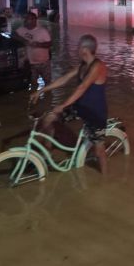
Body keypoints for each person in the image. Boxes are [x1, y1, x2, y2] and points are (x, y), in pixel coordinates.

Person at [29, 34, 109, 175]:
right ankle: (47, 156)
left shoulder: (98, 66)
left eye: (78, 46)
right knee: (48, 119)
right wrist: (41, 90)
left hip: (95, 113)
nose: (76, 49)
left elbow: (82, 87)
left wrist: (62, 105)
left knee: (98, 150)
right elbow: (63, 80)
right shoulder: (82, 66)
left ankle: (105, 177)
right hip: (80, 107)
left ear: (85, 49)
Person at [15, 12, 53, 91]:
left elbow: (49, 44)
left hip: (44, 63)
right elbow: (14, 35)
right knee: (32, 84)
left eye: (27, 19)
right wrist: (23, 40)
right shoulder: (21, 29)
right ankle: (33, 98)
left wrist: (38, 45)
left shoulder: (43, 31)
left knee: (48, 84)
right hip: (30, 63)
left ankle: (48, 99)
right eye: (25, 19)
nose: (25, 21)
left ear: (34, 20)